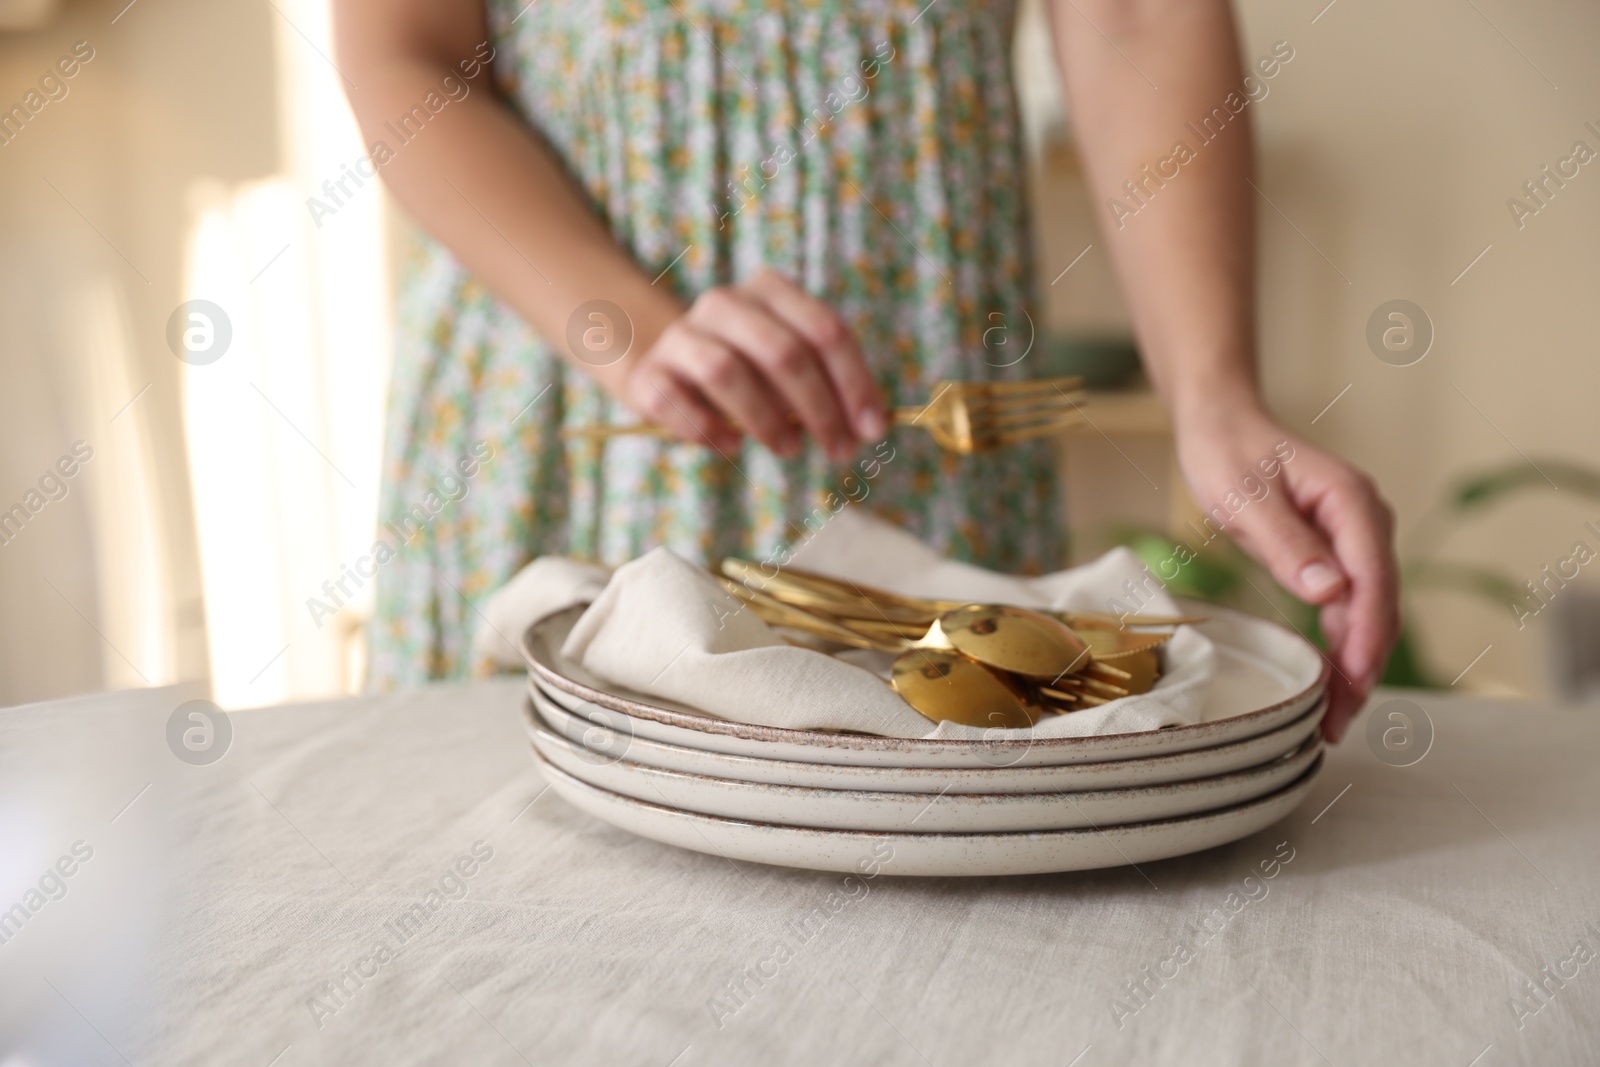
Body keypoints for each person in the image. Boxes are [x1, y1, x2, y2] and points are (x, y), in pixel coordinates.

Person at [334, 0, 1398, 741]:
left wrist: (1214, 396)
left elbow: (1134, 15)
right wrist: (633, 329)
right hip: (566, 395)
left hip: (926, 446)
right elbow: (403, 46)